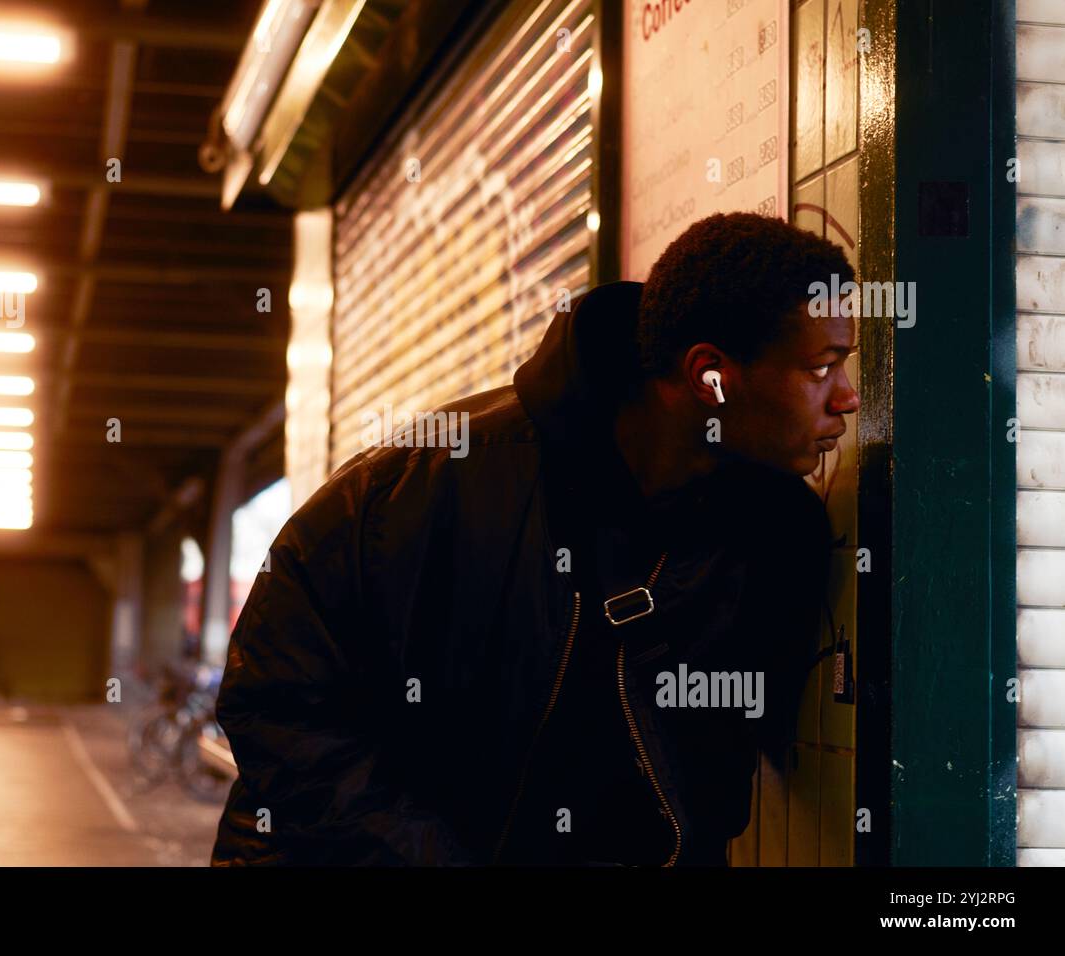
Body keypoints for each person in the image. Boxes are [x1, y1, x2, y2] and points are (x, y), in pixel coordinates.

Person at [211, 212, 861, 866]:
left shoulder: (778, 534)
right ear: (710, 375)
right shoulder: (427, 485)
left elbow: (713, 781)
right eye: (821, 368)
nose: (848, 398)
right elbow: (273, 700)